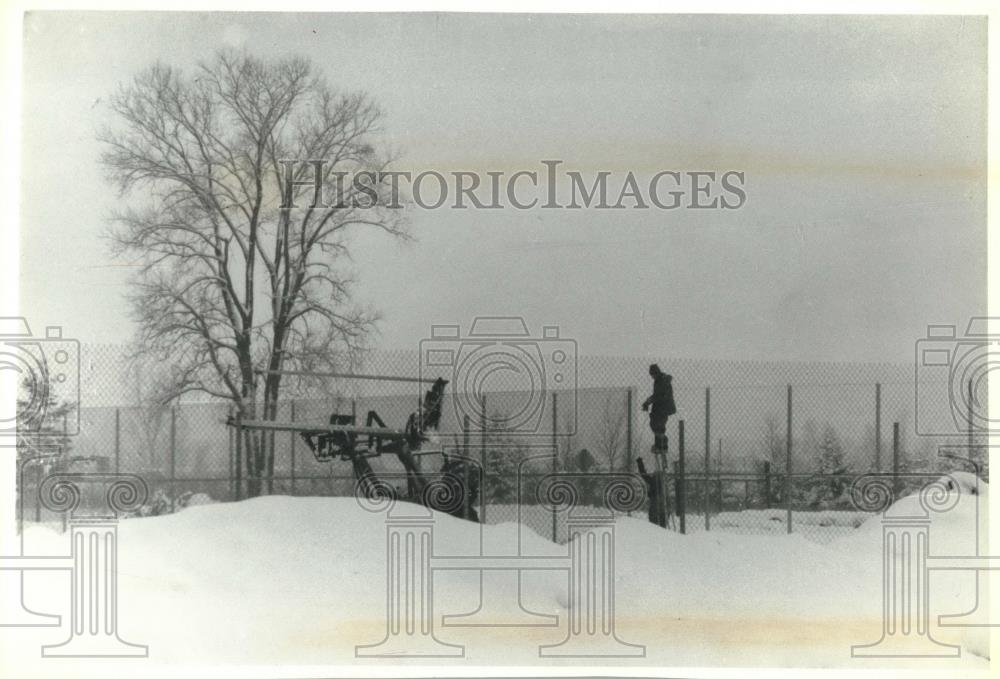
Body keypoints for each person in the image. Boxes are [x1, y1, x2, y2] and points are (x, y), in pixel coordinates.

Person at [641, 364, 676, 453]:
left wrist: (647, 402)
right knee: (659, 426)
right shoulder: (660, 380)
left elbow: (657, 395)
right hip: (663, 407)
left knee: (656, 425)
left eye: (652, 375)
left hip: (662, 407)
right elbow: (657, 395)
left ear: (655, 373)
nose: (652, 377)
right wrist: (648, 402)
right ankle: (660, 446)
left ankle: (662, 443)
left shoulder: (661, 381)